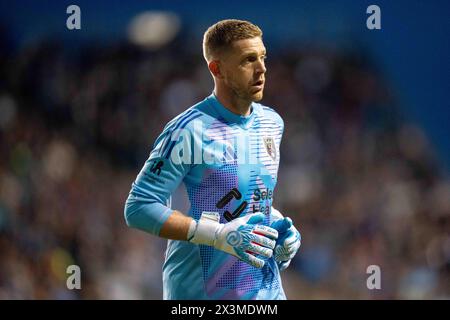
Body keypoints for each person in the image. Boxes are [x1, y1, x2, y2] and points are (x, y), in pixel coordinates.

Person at [124, 19, 301, 300]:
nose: (262, 69)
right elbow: (138, 208)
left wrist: (278, 231)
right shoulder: (188, 131)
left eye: (263, 57)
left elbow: (248, 198)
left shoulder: (271, 123)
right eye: (248, 60)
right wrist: (216, 235)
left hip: (266, 293)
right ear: (216, 69)